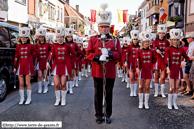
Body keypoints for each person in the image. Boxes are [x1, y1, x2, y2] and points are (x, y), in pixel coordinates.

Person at [86, 3, 122, 124]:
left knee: (109, 93)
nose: (104, 29)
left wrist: (109, 54)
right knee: (98, 93)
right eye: (102, 27)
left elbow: (119, 54)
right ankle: (98, 115)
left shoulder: (115, 40)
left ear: (109, 28)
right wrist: (98, 57)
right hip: (97, 70)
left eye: (106, 27)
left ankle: (108, 114)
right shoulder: (93, 39)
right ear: (98, 28)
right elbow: (88, 53)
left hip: (110, 70)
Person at [46, 27, 76, 106]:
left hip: (64, 67)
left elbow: (74, 54)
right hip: (56, 67)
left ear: (64, 37)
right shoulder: (54, 46)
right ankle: (57, 99)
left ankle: (63, 99)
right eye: (58, 37)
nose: (60, 38)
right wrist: (48, 62)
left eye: (61, 37)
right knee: (56, 84)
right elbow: (51, 54)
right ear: (57, 37)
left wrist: (68, 59)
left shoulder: (67, 45)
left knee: (63, 84)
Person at [13, 27, 40, 105]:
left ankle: (29, 98)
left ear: (27, 37)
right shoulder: (18, 46)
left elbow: (37, 53)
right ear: (20, 37)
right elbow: (16, 57)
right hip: (20, 66)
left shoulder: (30, 46)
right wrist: (15, 67)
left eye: (25, 37)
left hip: (28, 66)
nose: (23, 38)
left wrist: (32, 57)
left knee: (27, 83)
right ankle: (22, 98)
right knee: (21, 83)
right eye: (22, 37)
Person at [165, 29, 189, 109]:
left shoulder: (181, 49)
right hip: (171, 69)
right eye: (174, 40)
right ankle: (169, 103)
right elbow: (166, 59)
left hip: (178, 70)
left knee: (176, 87)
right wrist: (167, 68)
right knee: (172, 87)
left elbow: (187, 58)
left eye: (177, 40)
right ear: (172, 40)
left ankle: (174, 103)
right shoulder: (168, 49)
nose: (175, 41)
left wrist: (184, 63)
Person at [135, 31, 157, 109]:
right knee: (141, 87)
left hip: (148, 71)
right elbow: (136, 60)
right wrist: (137, 68)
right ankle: (140, 102)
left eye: (148, 41)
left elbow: (154, 60)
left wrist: (152, 67)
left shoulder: (152, 51)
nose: (147, 43)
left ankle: (146, 103)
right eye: (146, 42)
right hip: (141, 71)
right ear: (143, 42)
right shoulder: (138, 51)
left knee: (147, 87)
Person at [65, 28, 84, 93]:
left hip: (73, 60)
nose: (70, 38)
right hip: (66, 61)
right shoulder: (64, 44)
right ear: (66, 37)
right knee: (66, 75)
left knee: (72, 74)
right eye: (68, 37)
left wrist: (77, 54)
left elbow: (80, 51)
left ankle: (70, 89)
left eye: (71, 37)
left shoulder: (75, 44)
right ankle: (67, 88)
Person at [153, 24, 170, 97]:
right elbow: (154, 47)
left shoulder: (167, 42)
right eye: (160, 33)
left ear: (164, 34)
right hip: (157, 59)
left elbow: (169, 49)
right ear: (158, 34)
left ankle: (162, 92)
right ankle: (156, 92)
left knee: (163, 77)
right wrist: (156, 49)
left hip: (164, 60)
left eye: (163, 33)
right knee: (156, 76)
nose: (161, 34)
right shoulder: (155, 41)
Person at [35, 28, 51, 94]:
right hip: (39, 61)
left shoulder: (47, 44)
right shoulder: (36, 45)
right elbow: (34, 53)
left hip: (45, 61)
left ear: (44, 37)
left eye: (42, 37)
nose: (41, 38)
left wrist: (49, 59)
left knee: (45, 75)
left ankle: (45, 87)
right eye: (40, 37)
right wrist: (35, 57)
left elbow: (52, 51)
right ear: (38, 37)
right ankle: (39, 88)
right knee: (39, 76)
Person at [125, 30, 140, 96]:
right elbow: (126, 55)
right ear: (132, 40)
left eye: (136, 39)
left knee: (136, 78)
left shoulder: (140, 47)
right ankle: (131, 91)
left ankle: (135, 91)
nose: (135, 40)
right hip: (131, 63)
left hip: (137, 64)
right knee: (131, 78)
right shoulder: (129, 47)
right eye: (134, 39)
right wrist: (126, 61)